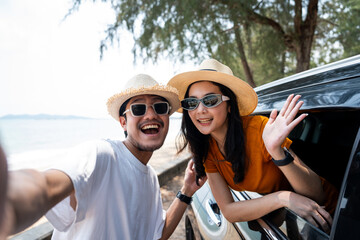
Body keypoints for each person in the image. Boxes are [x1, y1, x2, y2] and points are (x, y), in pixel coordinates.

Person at [4, 74, 206, 239]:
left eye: (160, 107)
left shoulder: (150, 177)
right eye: (138, 108)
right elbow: (46, 186)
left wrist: (187, 191)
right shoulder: (101, 154)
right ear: (123, 122)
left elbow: (157, 234)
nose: (151, 115)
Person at [167, 59, 338, 234]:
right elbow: (228, 210)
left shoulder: (259, 130)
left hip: (332, 216)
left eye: (210, 100)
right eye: (191, 103)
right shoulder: (207, 148)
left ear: (230, 105)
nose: (200, 110)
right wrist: (283, 199)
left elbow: (318, 194)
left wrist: (276, 151)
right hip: (293, 219)